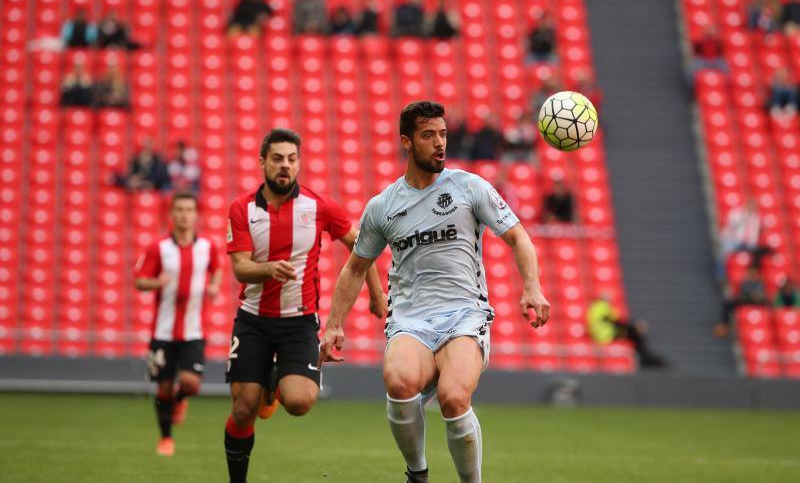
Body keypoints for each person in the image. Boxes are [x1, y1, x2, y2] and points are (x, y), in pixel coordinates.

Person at [319, 101, 551, 483]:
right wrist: (334, 325)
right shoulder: (382, 207)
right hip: (410, 318)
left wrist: (532, 287)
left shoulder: (469, 186)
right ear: (407, 143)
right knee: (398, 382)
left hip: (465, 314)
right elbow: (355, 267)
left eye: (443, 134)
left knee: (453, 397)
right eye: (429, 136)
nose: (440, 143)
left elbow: (518, 237)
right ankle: (417, 474)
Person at [223, 128, 388, 483]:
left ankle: (274, 379)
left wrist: (377, 294)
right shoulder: (242, 209)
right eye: (278, 158)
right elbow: (239, 268)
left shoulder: (319, 207)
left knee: (299, 403)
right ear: (263, 162)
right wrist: (267, 269)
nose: (285, 166)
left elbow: (361, 246)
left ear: (299, 163)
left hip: (299, 323)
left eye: (292, 159)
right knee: (242, 410)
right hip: (252, 320)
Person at [134, 191, 222, 456]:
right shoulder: (158, 248)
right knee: (162, 386)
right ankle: (166, 439)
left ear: (196, 215)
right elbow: (139, 280)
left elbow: (217, 269)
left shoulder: (207, 246)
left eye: (189, 209)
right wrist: (155, 283)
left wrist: (215, 286)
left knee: (190, 382)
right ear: (172, 214)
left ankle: (181, 400)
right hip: (163, 331)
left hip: (194, 329)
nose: (184, 214)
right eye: (179, 209)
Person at [587, 294, 666, 368]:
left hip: (603, 335)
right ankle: (644, 357)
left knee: (634, 334)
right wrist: (633, 327)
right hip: (606, 335)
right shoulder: (603, 307)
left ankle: (644, 356)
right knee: (635, 336)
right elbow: (615, 321)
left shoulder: (594, 307)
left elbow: (613, 321)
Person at [717, 199, 770, 282]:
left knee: (760, 252)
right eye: (750, 206)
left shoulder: (756, 218)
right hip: (733, 240)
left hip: (747, 244)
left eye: (754, 207)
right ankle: (720, 276)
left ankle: (753, 277)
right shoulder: (736, 214)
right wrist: (745, 216)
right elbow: (732, 226)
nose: (752, 209)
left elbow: (754, 234)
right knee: (723, 252)